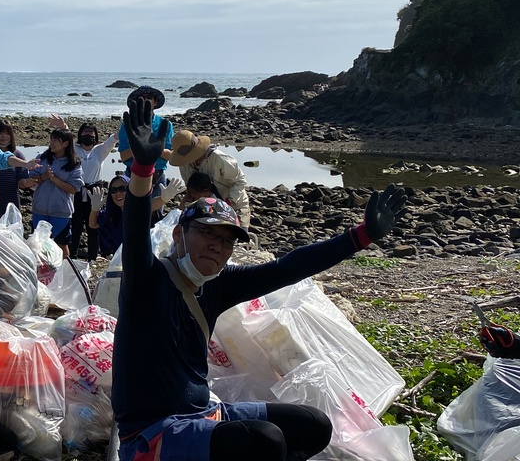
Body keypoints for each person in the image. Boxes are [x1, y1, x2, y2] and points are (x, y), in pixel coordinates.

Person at [112, 97, 407, 461]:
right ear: (178, 235)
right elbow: (137, 225)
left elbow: (287, 269)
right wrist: (142, 167)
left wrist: (360, 236)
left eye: (226, 241)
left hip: (205, 414)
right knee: (265, 441)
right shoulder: (148, 279)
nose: (217, 248)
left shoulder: (218, 285)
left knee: (313, 424)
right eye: (208, 234)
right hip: (152, 435)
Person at [50, 114, 118, 259]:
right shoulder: (75, 149)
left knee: (94, 224)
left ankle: (93, 256)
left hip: (95, 190)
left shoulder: (100, 150)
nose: (88, 135)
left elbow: (113, 139)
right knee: (75, 223)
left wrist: (127, 128)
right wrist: (63, 126)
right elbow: (67, 137)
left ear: (96, 136)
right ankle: (72, 255)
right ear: (80, 134)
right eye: (85, 132)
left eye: (91, 132)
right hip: (77, 190)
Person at [19, 129, 84, 259]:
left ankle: (64, 274)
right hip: (40, 209)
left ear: (65, 144)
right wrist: (43, 177)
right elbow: (32, 180)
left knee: (62, 245)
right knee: (37, 245)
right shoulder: (42, 158)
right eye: (51, 140)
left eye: (56, 140)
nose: (52, 143)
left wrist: (54, 179)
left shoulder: (73, 163)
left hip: (61, 212)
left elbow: (74, 188)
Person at [172, 130, 252, 228]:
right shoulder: (184, 163)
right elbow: (189, 187)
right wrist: (183, 207)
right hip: (205, 207)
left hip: (234, 204)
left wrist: (228, 203)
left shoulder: (219, 159)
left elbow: (240, 182)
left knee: (238, 235)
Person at [117, 86, 173, 196]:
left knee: (156, 211)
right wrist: (138, 148)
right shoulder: (128, 125)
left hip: (157, 175)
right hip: (133, 174)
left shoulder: (165, 124)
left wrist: (153, 149)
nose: (145, 100)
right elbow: (123, 156)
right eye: (141, 98)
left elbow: (170, 156)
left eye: (149, 98)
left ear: (155, 102)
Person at [0, 119, 26, 217]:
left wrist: (26, 182)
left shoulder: (18, 155)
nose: (4, 136)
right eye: (0, 133)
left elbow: (21, 181)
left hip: (11, 201)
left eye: (7, 133)